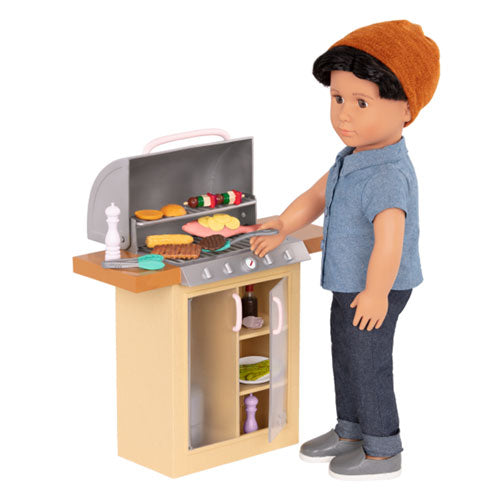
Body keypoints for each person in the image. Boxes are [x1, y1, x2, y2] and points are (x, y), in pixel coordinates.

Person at [250, 20, 440, 480]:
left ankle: (383, 448)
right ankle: (350, 430)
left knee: (369, 363)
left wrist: (376, 293)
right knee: (346, 354)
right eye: (337, 99)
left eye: (361, 102)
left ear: (406, 110)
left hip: (376, 288)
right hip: (349, 283)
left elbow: (390, 240)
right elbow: (318, 194)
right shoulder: (353, 158)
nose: (344, 116)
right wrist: (283, 222)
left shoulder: (386, 174)